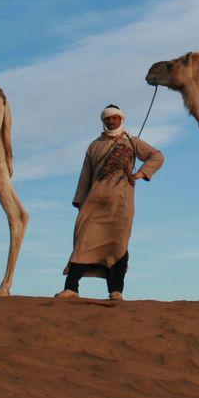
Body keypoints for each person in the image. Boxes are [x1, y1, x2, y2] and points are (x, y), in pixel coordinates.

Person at [59, 105, 164, 302]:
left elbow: (157, 156)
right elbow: (86, 174)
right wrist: (80, 200)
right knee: (83, 243)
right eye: (108, 118)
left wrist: (141, 173)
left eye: (115, 118)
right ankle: (71, 288)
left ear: (121, 119)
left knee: (118, 246)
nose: (111, 121)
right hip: (95, 202)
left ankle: (116, 291)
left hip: (121, 203)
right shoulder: (94, 145)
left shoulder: (132, 142)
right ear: (103, 121)